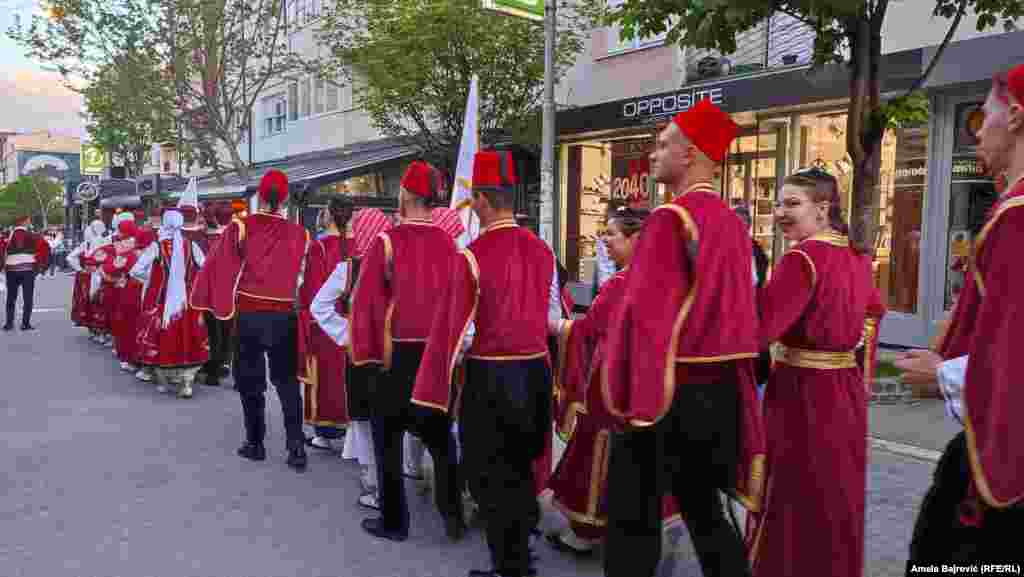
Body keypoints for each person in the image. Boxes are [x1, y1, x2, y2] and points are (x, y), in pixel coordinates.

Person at [600, 100, 765, 577]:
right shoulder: (733, 225)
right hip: (718, 396)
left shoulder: (670, 220)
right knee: (705, 512)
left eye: (662, 144)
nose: (653, 154)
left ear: (690, 153)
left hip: (667, 392)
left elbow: (642, 320)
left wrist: (627, 399)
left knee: (632, 516)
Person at [413, 150, 562, 577]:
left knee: (489, 473)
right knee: (519, 466)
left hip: (492, 377)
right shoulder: (542, 251)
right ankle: (519, 553)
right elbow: (551, 314)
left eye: (473, 198)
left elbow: (453, 332)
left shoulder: (472, 255)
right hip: (535, 372)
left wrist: (431, 384)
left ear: (481, 199)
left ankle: (509, 564)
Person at [897, 63, 1024, 564]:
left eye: (981, 118)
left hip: (1002, 471)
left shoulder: (1016, 219)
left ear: (1015, 118)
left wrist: (944, 374)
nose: (976, 131)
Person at [743, 167, 885, 577]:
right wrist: (856, 364)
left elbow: (759, 329)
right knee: (835, 493)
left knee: (794, 492)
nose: (779, 213)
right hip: (844, 391)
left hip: (800, 393)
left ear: (822, 209)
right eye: (777, 204)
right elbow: (874, 314)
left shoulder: (801, 258)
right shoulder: (855, 255)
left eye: (792, 203)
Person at [314, 161, 466, 543]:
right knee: (441, 441)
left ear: (406, 195)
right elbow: (459, 304)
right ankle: (453, 518)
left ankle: (395, 522)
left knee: (388, 444)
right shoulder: (450, 245)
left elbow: (366, 307)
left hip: (393, 358)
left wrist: (360, 354)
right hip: (434, 357)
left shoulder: (387, 242)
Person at [546, 206, 680, 555]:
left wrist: (555, 326)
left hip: (614, 381)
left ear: (637, 238)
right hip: (657, 381)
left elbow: (588, 329)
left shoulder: (622, 283)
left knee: (600, 448)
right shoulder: (668, 280)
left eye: (611, 234)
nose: (604, 240)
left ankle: (588, 530)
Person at [191, 169, 310, 471]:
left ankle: (255, 443)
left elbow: (221, 267)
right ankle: (296, 447)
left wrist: (216, 305)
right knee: (287, 383)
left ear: (260, 194)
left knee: (250, 382)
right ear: (285, 198)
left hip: (250, 315)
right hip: (285, 316)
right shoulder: (301, 233)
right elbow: (303, 280)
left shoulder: (242, 227)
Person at [130, 205, 209, 398]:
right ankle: (187, 381)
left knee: (164, 336)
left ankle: (166, 379)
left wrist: (150, 279)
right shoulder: (191, 245)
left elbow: (135, 270)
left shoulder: (157, 246)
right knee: (189, 335)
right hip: (187, 301)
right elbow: (205, 267)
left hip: (163, 300)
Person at [300, 196, 355, 451]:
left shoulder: (318, 247)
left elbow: (312, 289)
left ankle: (325, 432)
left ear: (331, 215)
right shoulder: (358, 245)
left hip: (325, 321)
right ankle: (352, 432)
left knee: (326, 376)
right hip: (353, 320)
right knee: (349, 375)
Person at [196, 202, 233, 387]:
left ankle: (213, 370)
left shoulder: (203, 241)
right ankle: (226, 361)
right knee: (229, 330)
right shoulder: (235, 238)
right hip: (232, 290)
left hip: (210, 291)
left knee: (213, 331)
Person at [102, 220, 144, 372]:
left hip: (129, 289)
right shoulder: (147, 249)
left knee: (128, 325)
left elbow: (110, 267)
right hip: (150, 291)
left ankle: (132, 359)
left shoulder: (125, 250)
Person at [2, 216, 50, 331]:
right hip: (28, 269)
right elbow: (45, 247)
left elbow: (2, 249)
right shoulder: (33, 236)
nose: (29, 223)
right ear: (24, 222)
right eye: (28, 221)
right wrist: (41, 267)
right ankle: (25, 324)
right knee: (28, 297)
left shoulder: (8, 235)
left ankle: (9, 324)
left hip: (11, 269)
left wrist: (3, 265)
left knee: (11, 297)